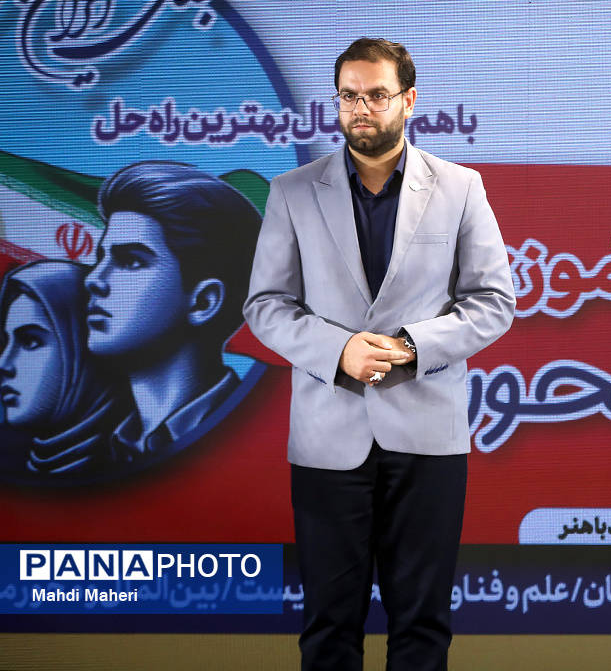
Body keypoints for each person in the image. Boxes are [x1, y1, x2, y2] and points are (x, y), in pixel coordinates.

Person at [243, 37, 516, 670]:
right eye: (348, 96)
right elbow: (265, 305)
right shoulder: (292, 191)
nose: (360, 109)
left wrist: (411, 347)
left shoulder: (460, 188)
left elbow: (493, 302)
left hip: (427, 437)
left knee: (422, 627)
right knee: (327, 628)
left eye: (376, 95)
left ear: (409, 100)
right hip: (327, 438)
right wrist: (339, 350)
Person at [84, 161, 262, 463]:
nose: (93, 280)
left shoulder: (255, 430)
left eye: (130, 261)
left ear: (203, 302)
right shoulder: (104, 448)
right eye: (100, 258)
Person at [0, 260, 129, 476]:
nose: (3, 364)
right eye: (5, 343)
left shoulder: (129, 464)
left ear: (83, 350)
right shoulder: (8, 456)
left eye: (30, 341)